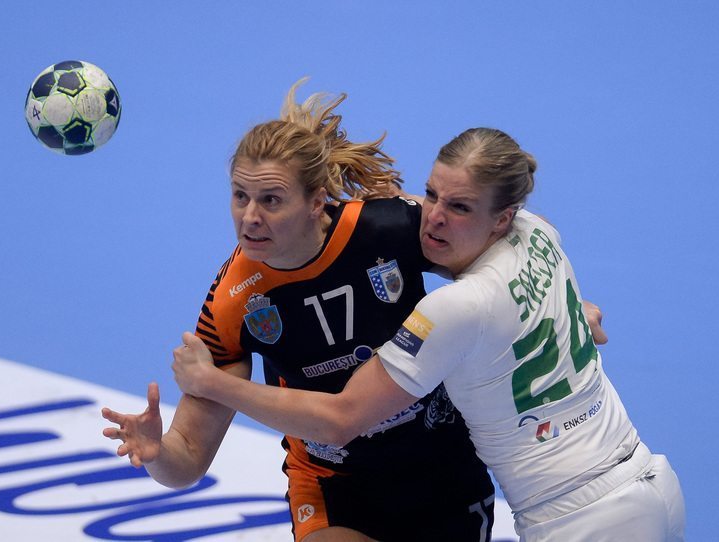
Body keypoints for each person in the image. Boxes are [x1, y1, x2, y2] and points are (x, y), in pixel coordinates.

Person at [172, 127, 686, 541]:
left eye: (458, 207)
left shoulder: (453, 309)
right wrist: (573, 307)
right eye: (432, 195)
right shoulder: (541, 235)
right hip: (651, 482)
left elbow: (341, 418)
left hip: (577, 517)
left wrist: (212, 383)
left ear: (501, 218)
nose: (431, 217)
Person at [102, 80, 497, 542]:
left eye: (270, 200)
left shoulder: (388, 228)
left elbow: (499, 249)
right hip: (334, 488)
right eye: (240, 196)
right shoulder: (232, 300)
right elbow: (187, 459)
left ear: (316, 202)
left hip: (442, 470)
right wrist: (156, 453)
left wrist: (554, 303)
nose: (250, 217)